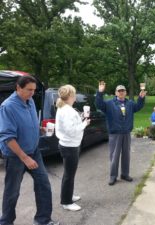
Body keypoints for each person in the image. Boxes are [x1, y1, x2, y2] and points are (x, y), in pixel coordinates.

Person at [0, 75, 59, 225]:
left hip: (34, 151)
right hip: (16, 156)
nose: (32, 93)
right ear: (18, 88)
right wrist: (24, 158)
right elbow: (7, 137)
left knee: (43, 185)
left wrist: (40, 129)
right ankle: (6, 222)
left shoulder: (30, 100)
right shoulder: (8, 106)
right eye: (29, 90)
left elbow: (29, 122)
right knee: (12, 192)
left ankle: (43, 220)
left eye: (34, 90)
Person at [95, 82, 146, 186]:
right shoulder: (109, 104)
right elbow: (99, 104)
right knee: (114, 156)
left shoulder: (130, 103)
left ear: (125, 92)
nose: (121, 92)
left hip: (126, 132)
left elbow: (138, 107)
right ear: (116, 93)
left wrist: (141, 98)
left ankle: (125, 174)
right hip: (115, 134)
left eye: (123, 90)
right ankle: (113, 176)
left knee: (126, 155)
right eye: (119, 91)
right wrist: (100, 92)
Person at [55, 85, 90, 211]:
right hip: (69, 146)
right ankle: (66, 202)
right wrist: (84, 123)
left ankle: (68, 195)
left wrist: (80, 118)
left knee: (69, 173)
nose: (75, 97)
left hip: (69, 145)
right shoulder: (67, 110)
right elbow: (71, 130)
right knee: (69, 175)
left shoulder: (64, 107)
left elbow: (70, 125)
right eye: (74, 95)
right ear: (69, 96)